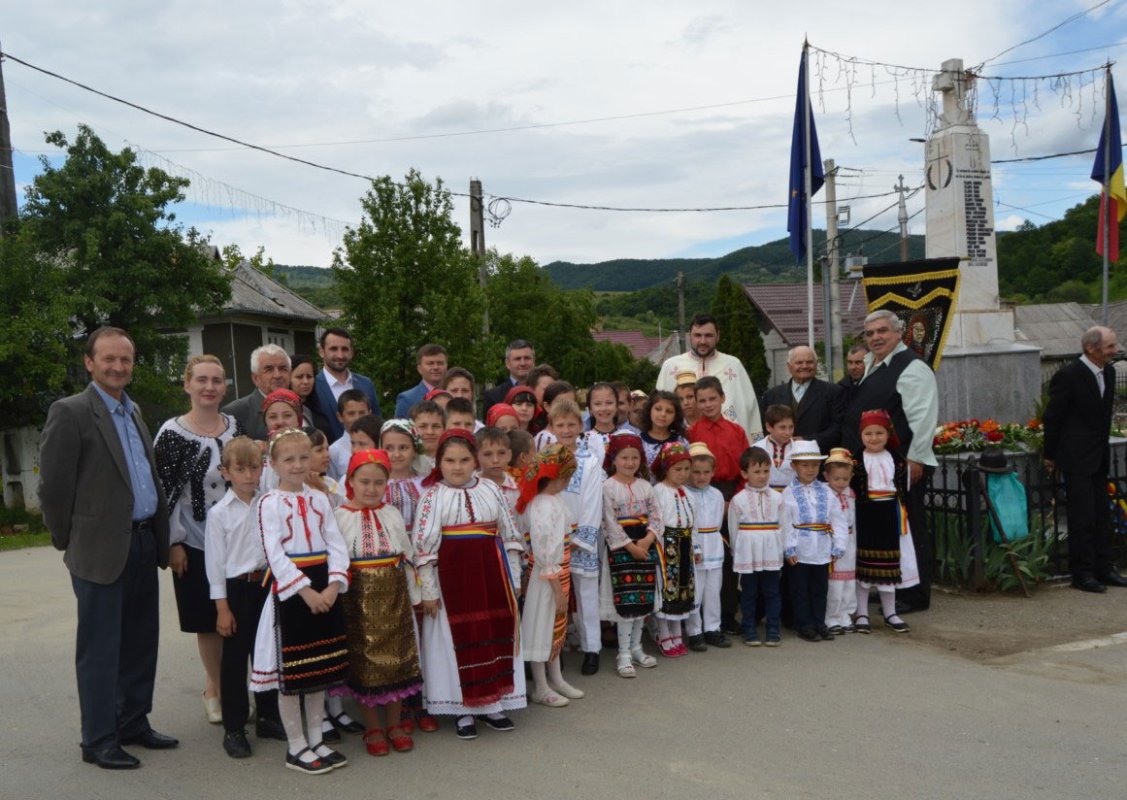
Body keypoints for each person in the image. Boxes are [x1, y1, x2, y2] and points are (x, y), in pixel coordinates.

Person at [39, 326, 177, 769]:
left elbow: (145, 477)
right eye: (109, 359)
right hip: (99, 551)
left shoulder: (133, 411)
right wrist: (68, 539)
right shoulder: (71, 411)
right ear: (89, 362)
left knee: (140, 643)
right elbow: (53, 489)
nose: (119, 367)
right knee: (101, 650)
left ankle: (133, 722)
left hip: (141, 543)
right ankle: (98, 740)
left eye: (126, 360)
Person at [413, 429, 526, 740]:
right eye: (450, 460)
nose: (458, 467)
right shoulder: (433, 496)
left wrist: (514, 578)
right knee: (455, 641)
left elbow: (510, 537)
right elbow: (423, 547)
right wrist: (429, 591)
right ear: (439, 462)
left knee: (492, 634)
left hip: (492, 577)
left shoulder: (491, 489)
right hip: (453, 581)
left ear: (475, 460)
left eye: (464, 460)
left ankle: (493, 704)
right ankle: (463, 708)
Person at [252, 428, 350, 775]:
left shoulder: (321, 498)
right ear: (273, 464)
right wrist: (305, 590)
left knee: (318, 670)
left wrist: (335, 584)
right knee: (293, 676)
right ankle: (296, 746)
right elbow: (273, 553)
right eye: (289, 459)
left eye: (303, 457)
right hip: (292, 593)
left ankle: (316, 738)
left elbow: (335, 542)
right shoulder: (268, 503)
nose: (297, 465)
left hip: (324, 586)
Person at [153, 355, 241, 727]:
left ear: (225, 387)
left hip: (237, 539)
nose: (209, 387)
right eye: (201, 380)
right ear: (187, 384)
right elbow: (164, 493)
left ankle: (235, 685)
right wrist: (172, 542)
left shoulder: (235, 427)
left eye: (216, 380)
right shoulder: (172, 434)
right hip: (193, 539)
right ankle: (215, 688)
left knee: (239, 615)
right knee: (207, 621)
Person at [841, 309, 939, 612]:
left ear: (899, 333)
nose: (875, 338)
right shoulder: (873, 364)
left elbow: (923, 418)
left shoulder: (912, 368)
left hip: (903, 464)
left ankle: (916, 593)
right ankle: (889, 584)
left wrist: (915, 459)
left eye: (882, 331)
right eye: (870, 334)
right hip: (874, 464)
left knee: (908, 526)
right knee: (882, 527)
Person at [332, 449, 423, 757]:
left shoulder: (392, 514)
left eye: (378, 482)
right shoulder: (340, 517)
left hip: (394, 596)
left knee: (397, 661)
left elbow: (407, 556)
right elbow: (335, 560)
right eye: (364, 481)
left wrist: (417, 596)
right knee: (365, 664)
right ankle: (373, 726)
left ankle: (395, 723)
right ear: (351, 481)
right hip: (357, 601)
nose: (371, 489)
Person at [204, 436, 284, 758]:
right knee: (236, 659)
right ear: (226, 472)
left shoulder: (269, 503)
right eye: (240, 469)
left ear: (262, 468)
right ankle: (234, 727)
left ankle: (267, 716)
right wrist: (222, 608)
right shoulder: (219, 514)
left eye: (254, 467)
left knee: (267, 654)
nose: (248, 475)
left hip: (266, 585)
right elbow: (215, 565)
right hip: (236, 589)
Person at [1043, 326, 1127, 592]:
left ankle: (1105, 567)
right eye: (1111, 346)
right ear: (1092, 349)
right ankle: (1082, 573)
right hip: (1076, 456)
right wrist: (1050, 454)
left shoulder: (1110, 372)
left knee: (1102, 515)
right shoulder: (1068, 375)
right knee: (1083, 517)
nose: (1116, 350)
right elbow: (1053, 417)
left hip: (1099, 455)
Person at [517, 444, 586, 708]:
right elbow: (545, 549)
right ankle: (541, 685)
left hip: (557, 570)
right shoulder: (544, 505)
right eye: (566, 478)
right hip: (548, 576)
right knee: (541, 625)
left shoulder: (550, 500)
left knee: (554, 625)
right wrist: (557, 589)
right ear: (557, 477)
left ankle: (555, 678)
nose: (567, 483)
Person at [686, 376, 751, 634]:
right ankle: (696, 619)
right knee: (699, 557)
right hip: (698, 492)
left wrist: (732, 501)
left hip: (729, 494)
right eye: (702, 400)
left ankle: (726, 614)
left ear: (723, 398)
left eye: (713, 398)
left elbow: (745, 469)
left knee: (727, 559)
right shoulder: (691, 432)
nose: (708, 404)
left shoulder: (736, 431)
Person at [548, 399, 606, 675]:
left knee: (586, 595)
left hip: (582, 536)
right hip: (552, 537)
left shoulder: (590, 461)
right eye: (560, 425)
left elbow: (593, 500)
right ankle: (552, 651)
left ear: (580, 426)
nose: (566, 429)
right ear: (552, 427)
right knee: (552, 596)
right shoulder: (546, 458)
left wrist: (581, 535)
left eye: (571, 424)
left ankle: (591, 648)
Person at [850, 410, 919, 633]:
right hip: (865, 515)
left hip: (890, 513)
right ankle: (861, 613)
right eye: (868, 433)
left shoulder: (898, 461)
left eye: (879, 433)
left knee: (890, 567)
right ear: (861, 435)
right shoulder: (855, 461)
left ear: (888, 434)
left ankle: (890, 612)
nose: (874, 438)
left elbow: (903, 490)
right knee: (864, 568)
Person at [599, 433, 661, 678]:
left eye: (635, 457)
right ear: (614, 459)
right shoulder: (608, 487)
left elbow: (657, 515)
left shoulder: (646, 486)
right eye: (624, 457)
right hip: (622, 549)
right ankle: (623, 652)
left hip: (645, 543)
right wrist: (630, 546)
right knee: (627, 602)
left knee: (642, 601)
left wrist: (648, 539)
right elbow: (609, 522)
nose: (630, 462)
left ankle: (637, 647)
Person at [656, 313, 763, 440]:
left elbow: (750, 408)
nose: (702, 341)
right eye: (697, 335)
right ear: (690, 335)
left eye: (708, 336)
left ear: (718, 336)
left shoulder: (733, 365)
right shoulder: (670, 366)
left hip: (727, 442)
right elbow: (659, 407)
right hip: (681, 441)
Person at [783, 441, 848, 643]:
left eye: (814, 465)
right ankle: (805, 624)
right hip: (800, 550)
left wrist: (839, 544)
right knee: (800, 589)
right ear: (794, 466)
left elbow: (838, 519)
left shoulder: (827, 492)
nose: (810, 469)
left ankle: (820, 621)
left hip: (821, 548)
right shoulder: (788, 493)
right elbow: (785, 523)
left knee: (820, 588)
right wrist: (789, 547)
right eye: (805, 465)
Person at [729, 447, 786, 647]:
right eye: (757, 471)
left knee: (772, 592)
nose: (762, 476)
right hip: (748, 553)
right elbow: (734, 530)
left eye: (766, 471)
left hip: (771, 550)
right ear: (745, 473)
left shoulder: (779, 498)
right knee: (749, 592)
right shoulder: (738, 500)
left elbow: (784, 526)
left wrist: (782, 551)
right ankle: (749, 628)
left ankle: (772, 628)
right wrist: (738, 554)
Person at [651, 442, 697, 658]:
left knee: (683, 590)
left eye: (687, 469)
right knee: (666, 591)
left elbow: (693, 523)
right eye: (677, 469)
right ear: (666, 468)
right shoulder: (658, 491)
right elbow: (656, 520)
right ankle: (663, 633)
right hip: (667, 545)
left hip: (685, 545)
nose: (683, 474)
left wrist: (695, 546)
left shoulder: (688, 493)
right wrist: (658, 547)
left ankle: (677, 632)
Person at [683, 443, 730, 650]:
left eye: (706, 473)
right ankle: (694, 631)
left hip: (714, 546)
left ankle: (713, 628)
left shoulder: (716, 495)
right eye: (696, 472)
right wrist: (694, 547)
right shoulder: (684, 493)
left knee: (713, 592)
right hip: (695, 546)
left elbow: (719, 522)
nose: (701, 477)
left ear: (713, 472)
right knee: (696, 592)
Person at [760, 345, 843, 453]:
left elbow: (838, 428)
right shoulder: (771, 395)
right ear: (789, 367)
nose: (804, 366)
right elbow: (765, 426)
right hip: (780, 459)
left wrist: (806, 441)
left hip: (817, 460)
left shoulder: (833, 392)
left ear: (816, 365)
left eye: (809, 362)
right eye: (799, 362)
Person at [312, 328, 381, 442]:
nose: (340, 355)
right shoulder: (313, 387)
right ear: (322, 352)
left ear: (351, 352)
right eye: (333, 349)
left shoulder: (366, 384)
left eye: (345, 349)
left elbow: (377, 422)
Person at [223, 344, 291, 441]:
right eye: (269, 370)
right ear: (255, 378)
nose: (277, 375)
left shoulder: (303, 410)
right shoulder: (234, 414)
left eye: (283, 368)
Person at [822, 448, 857, 634]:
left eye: (845, 479)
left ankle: (845, 613)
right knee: (834, 584)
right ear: (827, 477)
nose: (841, 483)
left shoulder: (850, 494)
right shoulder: (825, 495)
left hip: (850, 542)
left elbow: (854, 521)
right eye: (837, 479)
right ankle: (831, 616)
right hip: (832, 541)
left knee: (848, 582)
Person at [482, 339, 536, 414]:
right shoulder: (493, 396)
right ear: (507, 363)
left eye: (527, 358)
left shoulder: (542, 392)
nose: (523, 363)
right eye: (517, 359)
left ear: (534, 362)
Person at [395, 344, 448, 418]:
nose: (436, 367)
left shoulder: (455, 393)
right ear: (419, 369)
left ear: (446, 366)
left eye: (440, 363)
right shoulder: (407, 399)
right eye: (430, 363)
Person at [752, 404, 797, 492]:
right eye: (782, 427)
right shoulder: (756, 448)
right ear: (768, 427)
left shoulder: (800, 449)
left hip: (793, 498)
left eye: (791, 427)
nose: (788, 432)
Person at [639, 390, 687, 469]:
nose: (663, 414)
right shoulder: (639, 440)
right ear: (649, 410)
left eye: (669, 411)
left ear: (675, 416)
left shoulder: (681, 441)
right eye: (658, 409)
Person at [289, 354, 332, 437]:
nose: (305, 381)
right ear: (289, 379)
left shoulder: (320, 408)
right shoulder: (285, 410)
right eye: (299, 377)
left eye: (309, 377)